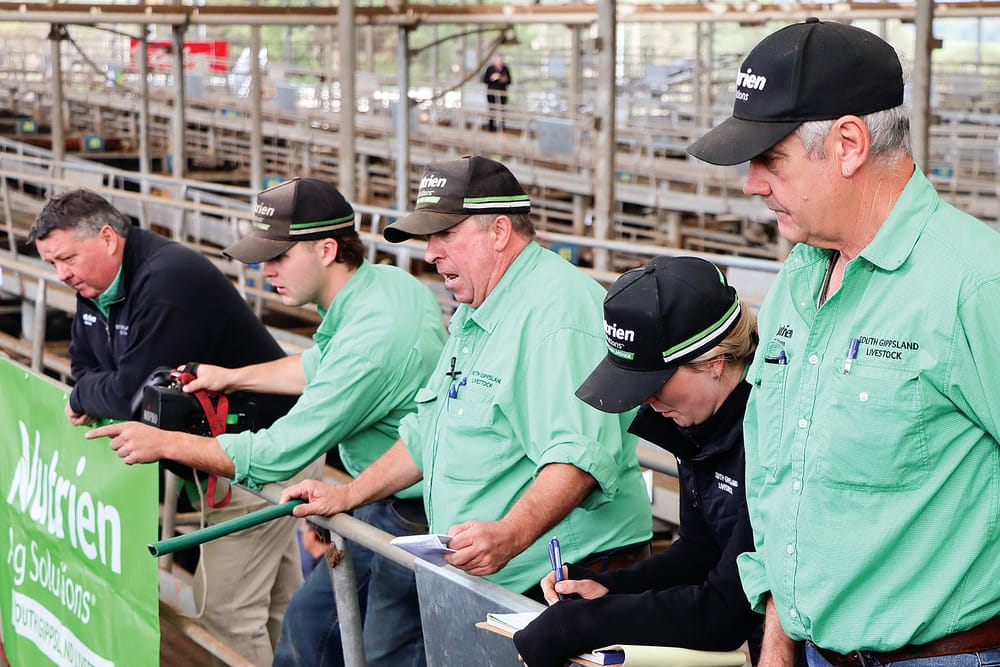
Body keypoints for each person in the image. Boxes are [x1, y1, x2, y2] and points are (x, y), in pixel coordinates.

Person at [687, 17, 1000, 667]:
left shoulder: (974, 286)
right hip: (815, 652)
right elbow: (783, 483)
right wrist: (778, 643)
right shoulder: (798, 279)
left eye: (770, 159)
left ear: (849, 144)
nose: (752, 183)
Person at [86, 177, 447, 667]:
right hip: (392, 493)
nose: (265, 269)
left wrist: (164, 442)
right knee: (310, 625)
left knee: (376, 650)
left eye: (278, 257)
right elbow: (320, 364)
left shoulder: (372, 341)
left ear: (326, 250)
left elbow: (276, 455)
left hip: (410, 509)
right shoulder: (387, 286)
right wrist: (231, 376)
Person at [281, 155, 653, 598]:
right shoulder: (480, 307)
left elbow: (577, 457)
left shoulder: (558, 313)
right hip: (497, 572)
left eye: (446, 234)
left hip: (562, 577)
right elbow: (426, 432)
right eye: (429, 237)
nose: (430, 253)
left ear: (499, 231)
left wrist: (511, 533)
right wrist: (348, 495)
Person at [29, 188, 304, 667]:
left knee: (229, 614)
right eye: (52, 263)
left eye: (67, 258)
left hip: (259, 454)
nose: (62, 274)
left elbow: (131, 397)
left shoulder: (168, 281)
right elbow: (84, 366)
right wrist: (94, 388)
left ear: (108, 239)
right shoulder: (96, 286)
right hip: (220, 457)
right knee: (282, 604)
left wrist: (86, 394)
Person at [513, 256, 763, 666]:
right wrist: (609, 588)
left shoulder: (770, 428)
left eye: (654, 382)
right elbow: (699, 553)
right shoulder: (699, 417)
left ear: (715, 362)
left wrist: (581, 625)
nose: (646, 400)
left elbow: (727, 609)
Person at [482, 54, 511, 131]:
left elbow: (509, 81)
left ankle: (502, 127)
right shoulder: (490, 69)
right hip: (491, 93)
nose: (500, 63)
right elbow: (485, 80)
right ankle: (491, 127)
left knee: (502, 110)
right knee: (492, 109)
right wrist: (492, 78)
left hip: (502, 93)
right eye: (498, 62)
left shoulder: (505, 69)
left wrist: (504, 79)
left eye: (501, 62)